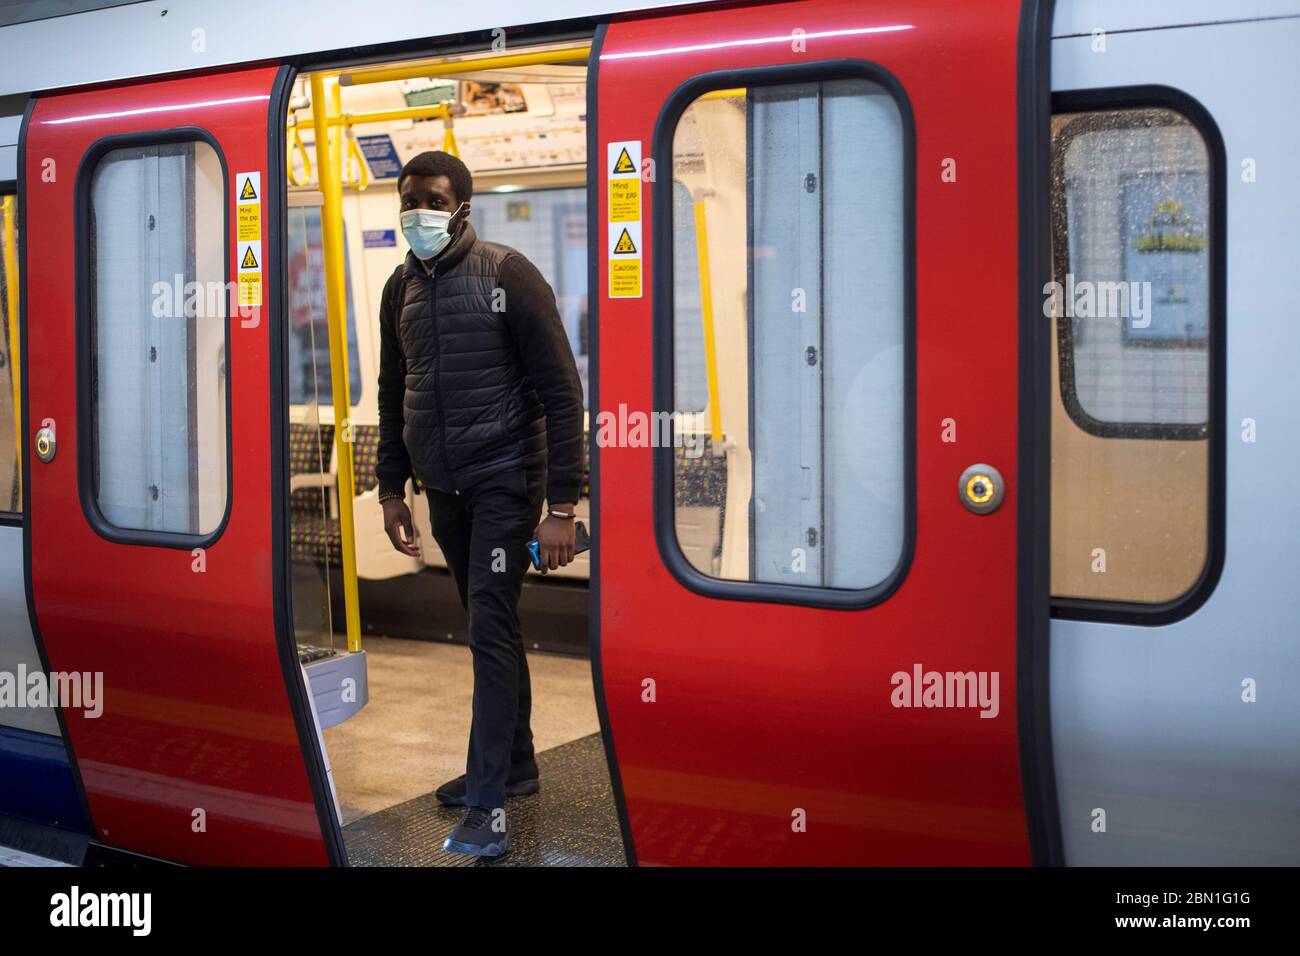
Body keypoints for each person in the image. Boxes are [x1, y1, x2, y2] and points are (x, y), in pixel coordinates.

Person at [375, 150, 584, 858]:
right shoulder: (398, 287)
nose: (418, 214)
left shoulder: (507, 274)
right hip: (444, 488)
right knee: (487, 623)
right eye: (408, 202)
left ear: (462, 204)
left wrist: (563, 507)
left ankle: (489, 807)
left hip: (506, 480)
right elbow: (391, 391)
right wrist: (389, 488)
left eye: (431, 200)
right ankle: (516, 765)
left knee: (489, 627)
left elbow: (562, 391)